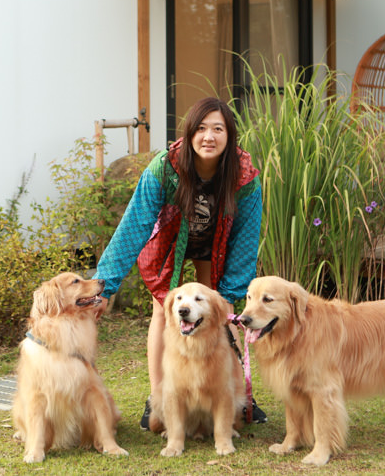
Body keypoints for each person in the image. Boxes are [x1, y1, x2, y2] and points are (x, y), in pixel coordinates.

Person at [93, 96, 265, 428]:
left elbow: (246, 240)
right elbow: (134, 226)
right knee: (166, 308)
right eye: (200, 129)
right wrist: (105, 284)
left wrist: (229, 292)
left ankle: (232, 393)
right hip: (172, 238)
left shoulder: (244, 177)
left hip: (217, 242)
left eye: (218, 129)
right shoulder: (165, 167)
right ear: (188, 134)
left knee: (219, 307)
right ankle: (160, 399)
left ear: (229, 136)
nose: (209, 137)